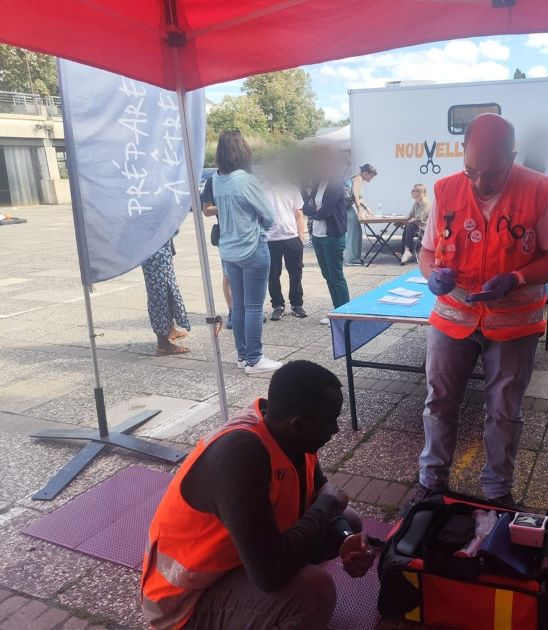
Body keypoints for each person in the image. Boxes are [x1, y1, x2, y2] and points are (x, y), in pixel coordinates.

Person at [141, 361, 376, 630]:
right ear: (298, 425)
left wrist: (345, 537)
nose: (335, 430)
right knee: (314, 591)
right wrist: (326, 505)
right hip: (185, 603)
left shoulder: (290, 435)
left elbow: (319, 490)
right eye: (329, 422)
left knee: (349, 520)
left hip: (240, 562)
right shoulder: (241, 457)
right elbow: (270, 574)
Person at [415, 113, 548, 506]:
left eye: (492, 174)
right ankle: (431, 483)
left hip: (513, 323)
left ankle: (497, 492)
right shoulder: (446, 190)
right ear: (462, 154)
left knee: (504, 410)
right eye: (471, 171)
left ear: (512, 157)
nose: (479, 184)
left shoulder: (539, 191)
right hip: (452, 317)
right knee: (438, 402)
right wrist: (432, 275)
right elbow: (427, 252)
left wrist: (517, 278)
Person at [208, 130, 282, 374]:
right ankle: (254, 359)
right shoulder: (246, 180)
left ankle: (242, 356)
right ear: (242, 151)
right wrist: (261, 226)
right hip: (252, 248)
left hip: (229, 250)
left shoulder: (216, 179)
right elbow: (269, 215)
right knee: (253, 307)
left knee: (238, 306)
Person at [302, 146, 351, 325]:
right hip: (318, 236)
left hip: (332, 237)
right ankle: (337, 311)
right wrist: (314, 209)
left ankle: (345, 314)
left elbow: (326, 212)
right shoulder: (318, 183)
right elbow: (305, 207)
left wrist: (314, 210)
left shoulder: (335, 184)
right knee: (328, 276)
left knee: (336, 276)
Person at [262, 155, 308, 320]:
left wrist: (301, 237)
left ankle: (297, 304)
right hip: (270, 238)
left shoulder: (292, 188)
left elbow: (299, 214)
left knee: (296, 272)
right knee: (272, 275)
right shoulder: (261, 189)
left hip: (291, 237)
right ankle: (278, 305)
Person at [141, 238, 190, 356]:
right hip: (154, 247)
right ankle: (163, 345)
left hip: (157, 246)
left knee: (166, 290)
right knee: (160, 293)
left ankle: (169, 329)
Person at [201, 174, 234, 329]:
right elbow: (206, 210)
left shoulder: (242, 178)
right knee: (228, 275)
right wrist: (227, 205)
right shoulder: (212, 181)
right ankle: (233, 310)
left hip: (246, 233)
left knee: (247, 273)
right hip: (225, 234)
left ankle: (248, 309)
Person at [345, 163, 377, 266]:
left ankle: (354, 257)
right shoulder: (358, 178)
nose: (371, 179)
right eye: (371, 176)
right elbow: (355, 193)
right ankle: (352, 259)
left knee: (355, 231)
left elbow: (359, 197)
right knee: (354, 232)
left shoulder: (358, 179)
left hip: (347, 208)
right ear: (366, 173)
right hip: (346, 208)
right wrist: (359, 209)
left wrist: (367, 208)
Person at [400, 183, 431, 265]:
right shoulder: (417, 202)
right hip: (417, 227)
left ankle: (406, 251)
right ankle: (406, 251)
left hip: (425, 229)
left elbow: (418, 220)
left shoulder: (426, 202)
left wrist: (405, 222)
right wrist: (401, 222)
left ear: (419, 192)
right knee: (408, 226)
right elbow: (410, 215)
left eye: (413, 190)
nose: (411, 192)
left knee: (409, 226)